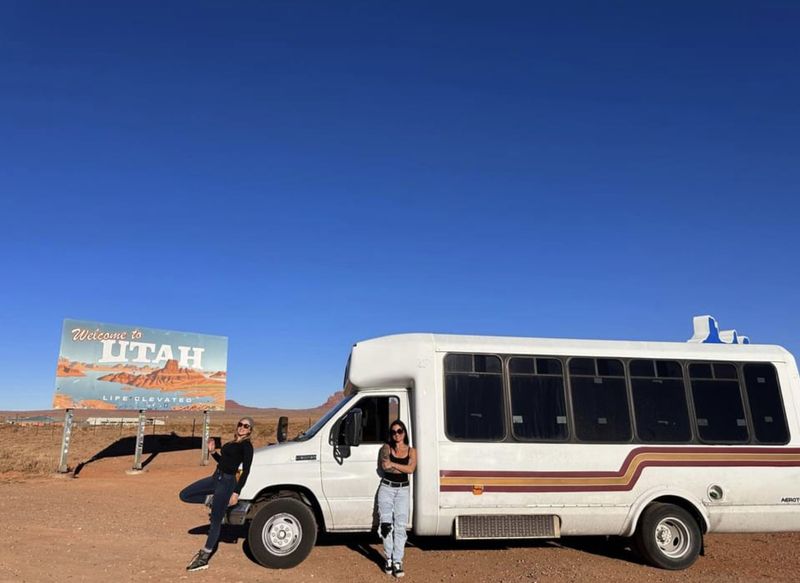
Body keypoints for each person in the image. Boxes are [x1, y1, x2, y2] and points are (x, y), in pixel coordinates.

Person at [179, 417, 255, 572]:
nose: (242, 427)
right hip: (216, 477)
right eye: (240, 424)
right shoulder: (233, 443)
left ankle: (204, 558)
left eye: (246, 426)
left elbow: (245, 471)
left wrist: (236, 492)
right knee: (185, 494)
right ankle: (211, 499)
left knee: (215, 521)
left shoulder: (247, 446)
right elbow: (223, 462)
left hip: (227, 483)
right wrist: (213, 452)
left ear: (249, 430)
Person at [378, 419, 416, 578]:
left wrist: (394, 464)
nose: (396, 434)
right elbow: (385, 466)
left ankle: (398, 561)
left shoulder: (412, 451)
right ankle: (389, 558)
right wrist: (399, 466)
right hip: (386, 488)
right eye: (393, 432)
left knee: (400, 526)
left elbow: (411, 469)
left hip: (403, 491)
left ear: (404, 432)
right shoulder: (385, 448)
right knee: (386, 525)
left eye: (399, 431)